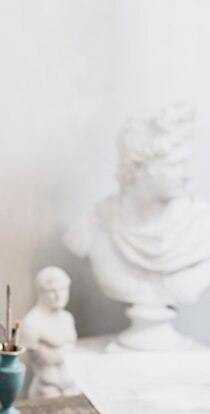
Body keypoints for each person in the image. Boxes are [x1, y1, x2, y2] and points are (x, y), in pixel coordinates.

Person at [63, 103, 210, 349]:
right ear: (143, 167)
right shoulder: (93, 227)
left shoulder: (202, 224)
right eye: (176, 164)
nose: (188, 175)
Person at [21, 267, 78, 398]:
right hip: (47, 390)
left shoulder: (67, 318)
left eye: (63, 289)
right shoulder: (32, 322)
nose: (59, 296)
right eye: (52, 291)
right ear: (41, 292)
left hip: (71, 387)